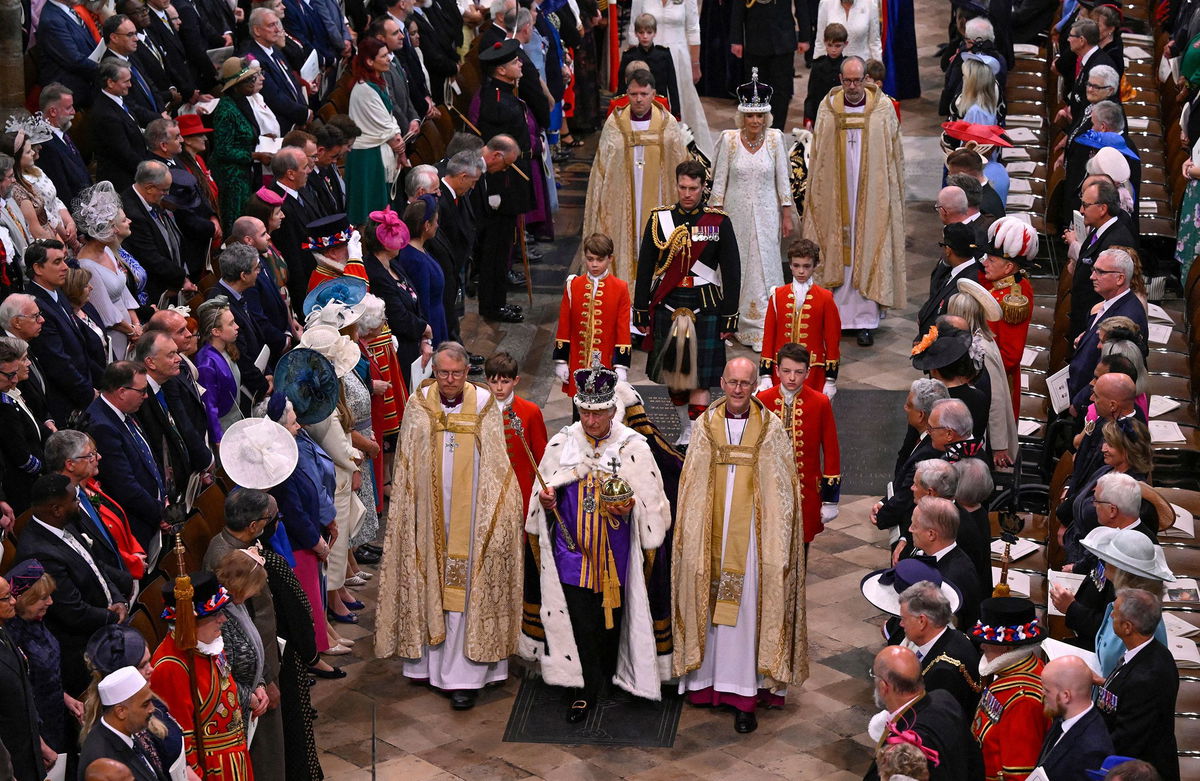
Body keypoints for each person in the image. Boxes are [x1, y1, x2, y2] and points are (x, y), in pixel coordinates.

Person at [374, 342, 524, 711]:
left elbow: (497, 465)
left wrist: (501, 514)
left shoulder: (485, 404)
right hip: (428, 517)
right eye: (443, 373)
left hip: (470, 518)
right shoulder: (418, 404)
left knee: (465, 591)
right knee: (430, 584)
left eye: (457, 373)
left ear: (466, 372)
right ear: (434, 372)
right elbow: (407, 463)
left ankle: (464, 677)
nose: (451, 380)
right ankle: (428, 666)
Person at [523, 361, 672, 722]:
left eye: (598, 413)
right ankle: (584, 688)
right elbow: (540, 495)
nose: (590, 421)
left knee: (612, 621)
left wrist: (629, 507)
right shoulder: (562, 444)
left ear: (611, 409)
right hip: (571, 552)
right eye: (585, 412)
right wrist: (546, 501)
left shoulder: (632, 447)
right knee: (580, 619)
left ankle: (611, 676)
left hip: (615, 557)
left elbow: (653, 508)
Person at [673, 356, 805, 733]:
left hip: (752, 541)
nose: (737, 390)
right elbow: (691, 484)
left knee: (747, 612)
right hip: (710, 537)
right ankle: (704, 683)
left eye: (745, 384)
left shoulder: (771, 429)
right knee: (707, 600)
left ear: (754, 384)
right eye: (732, 382)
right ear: (722, 381)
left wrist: (775, 544)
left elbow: (783, 490)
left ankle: (745, 693)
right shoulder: (704, 426)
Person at [634, 160, 741, 447]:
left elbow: (731, 271)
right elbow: (645, 266)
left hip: (705, 305)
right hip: (668, 304)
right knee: (676, 378)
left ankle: (696, 435)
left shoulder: (718, 222)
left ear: (703, 188)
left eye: (693, 188)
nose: (687, 193)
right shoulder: (660, 220)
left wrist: (730, 316)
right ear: (676, 184)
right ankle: (685, 429)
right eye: (682, 187)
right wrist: (641, 308)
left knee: (701, 379)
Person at [804, 56, 906, 347]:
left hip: (871, 193)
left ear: (866, 79)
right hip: (835, 196)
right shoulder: (828, 108)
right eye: (846, 80)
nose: (851, 86)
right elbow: (819, 155)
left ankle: (865, 320)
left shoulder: (882, 108)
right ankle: (834, 317)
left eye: (857, 80)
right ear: (840, 79)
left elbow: (893, 155)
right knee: (838, 247)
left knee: (868, 244)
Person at [15, 474, 129, 697]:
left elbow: (97, 566)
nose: (79, 502)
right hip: (83, 652)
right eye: (74, 500)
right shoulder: (39, 552)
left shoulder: (64, 523)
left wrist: (118, 599)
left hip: (106, 627)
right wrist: (113, 617)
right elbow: (73, 612)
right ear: (57, 509)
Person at [709, 69, 794, 351]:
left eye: (759, 116)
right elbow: (719, 181)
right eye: (750, 116)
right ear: (742, 117)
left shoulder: (775, 140)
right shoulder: (730, 140)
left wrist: (786, 213)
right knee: (737, 266)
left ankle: (767, 326)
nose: (755, 121)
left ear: (766, 117)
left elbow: (783, 179)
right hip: (735, 216)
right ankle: (735, 323)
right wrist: (715, 217)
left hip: (768, 215)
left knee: (765, 264)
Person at [581, 68, 687, 286]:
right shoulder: (615, 123)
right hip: (623, 202)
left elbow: (680, 164)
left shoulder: (667, 124)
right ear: (627, 93)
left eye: (644, 94)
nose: (638, 99)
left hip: (658, 197)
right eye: (634, 94)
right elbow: (602, 170)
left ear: (654, 94)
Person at [152, 571, 253, 779]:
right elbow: (181, 738)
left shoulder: (207, 643)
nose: (223, 619)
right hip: (212, 770)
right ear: (190, 621)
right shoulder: (171, 667)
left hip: (235, 758)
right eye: (215, 615)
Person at [756, 343, 841, 545]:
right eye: (786, 371)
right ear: (777, 370)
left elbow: (831, 450)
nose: (792, 378)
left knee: (802, 544)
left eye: (798, 372)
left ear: (808, 372)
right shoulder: (762, 400)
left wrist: (830, 499)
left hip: (807, 492)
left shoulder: (820, 402)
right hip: (768, 488)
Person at [864, 645, 984, 781]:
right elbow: (973, 761)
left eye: (874, 676)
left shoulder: (903, 753)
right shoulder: (945, 699)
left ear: (883, 687)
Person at [1095, 589, 1180, 781]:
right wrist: (1103, 682)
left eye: (1114, 613)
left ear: (1127, 627)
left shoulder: (1147, 678)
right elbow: (1125, 693)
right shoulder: (1151, 652)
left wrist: (1087, 750)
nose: (1111, 615)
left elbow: (1126, 739)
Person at [3, 559, 80, 758]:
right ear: (23, 600)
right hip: (38, 732)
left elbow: (43, 673)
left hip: (57, 718)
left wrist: (64, 697)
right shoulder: (11, 638)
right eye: (43, 598)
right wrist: (39, 743)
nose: (50, 603)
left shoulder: (36, 621)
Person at [969, 596, 1047, 781]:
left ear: (1006, 647)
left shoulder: (1025, 701)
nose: (982, 645)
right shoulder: (1022, 668)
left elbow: (1018, 774)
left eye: (988, 640)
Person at [625, 0, 712, 156]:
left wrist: (695, 62)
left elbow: (693, 28)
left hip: (679, 59)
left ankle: (683, 152)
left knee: (679, 101)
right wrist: (632, 65)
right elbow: (633, 28)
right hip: (648, 58)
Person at [1066, 249, 1148, 413]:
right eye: (1093, 270)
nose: (1092, 277)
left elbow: (1111, 372)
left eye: (1100, 272)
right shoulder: (1111, 302)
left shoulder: (1126, 318)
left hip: (1094, 404)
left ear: (1119, 278)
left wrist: (1079, 402)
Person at [552, 232, 633, 397]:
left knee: (602, 408)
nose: (594, 264)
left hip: (605, 360)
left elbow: (623, 328)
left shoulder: (620, 288)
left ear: (610, 259)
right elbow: (564, 324)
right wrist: (561, 361)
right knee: (578, 411)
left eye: (599, 260)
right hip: (577, 361)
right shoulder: (573, 285)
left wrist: (621, 366)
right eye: (590, 259)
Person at [947, 283, 1018, 467]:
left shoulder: (980, 348)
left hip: (985, 431)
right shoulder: (977, 339)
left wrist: (999, 445)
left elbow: (996, 397)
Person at [73, 182, 145, 361]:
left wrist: (137, 325)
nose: (125, 224)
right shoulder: (86, 265)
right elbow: (105, 312)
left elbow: (125, 295)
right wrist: (132, 331)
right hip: (116, 336)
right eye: (118, 223)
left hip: (131, 331)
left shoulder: (107, 250)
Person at [758, 239, 841, 393]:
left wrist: (830, 379)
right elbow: (769, 336)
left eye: (806, 266)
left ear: (815, 266)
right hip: (781, 370)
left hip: (813, 371)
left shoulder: (825, 298)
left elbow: (832, 338)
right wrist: (765, 374)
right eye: (796, 266)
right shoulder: (777, 296)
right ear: (790, 265)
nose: (801, 271)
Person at [896, 580, 980, 720]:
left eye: (904, 618)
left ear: (922, 621)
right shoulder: (957, 636)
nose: (901, 624)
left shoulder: (943, 671)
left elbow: (935, 721)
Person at [978, 216, 1036, 416]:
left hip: (996, 381)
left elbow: (1010, 356)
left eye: (991, 260)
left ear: (1009, 267)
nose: (985, 263)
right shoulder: (1004, 281)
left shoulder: (1015, 297)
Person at [346, 37, 406, 224]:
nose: (389, 58)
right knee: (369, 213)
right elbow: (384, 126)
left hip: (377, 152)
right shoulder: (364, 89)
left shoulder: (378, 83)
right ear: (369, 61)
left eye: (388, 54)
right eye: (383, 56)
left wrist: (398, 138)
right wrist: (399, 144)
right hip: (368, 158)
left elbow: (389, 117)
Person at [210, 56, 271, 231]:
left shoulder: (242, 102)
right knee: (236, 221)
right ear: (236, 86)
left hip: (244, 174)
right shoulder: (226, 110)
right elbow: (223, 150)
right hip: (232, 179)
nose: (254, 82)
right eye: (249, 80)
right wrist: (255, 155)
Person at [729, 0, 809, 130]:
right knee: (755, 90)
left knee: (781, 92)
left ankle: (777, 133)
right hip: (755, 38)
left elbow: (801, 4)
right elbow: (738, 6)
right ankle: (756, 132)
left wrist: (804, 36)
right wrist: (736, 38)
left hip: (783, 39)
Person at [0, 572, 50, 781]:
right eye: (5, 598)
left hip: (28, 751)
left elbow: (21, 694)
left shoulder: (4, 630)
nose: (13, 601)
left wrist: (38, 742)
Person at [485, 351, 547, 515]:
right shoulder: (479, 411)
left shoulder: (531, 411)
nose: (499, 388)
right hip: (489, 484)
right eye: (494, 382)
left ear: (516, 381)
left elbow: (541, 454)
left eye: (505, 382)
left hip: (522, 485)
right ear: (486, 381)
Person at [1037, 655, 1114, 780]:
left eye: (1047, 690)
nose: (1042, 694)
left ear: (1066, 696)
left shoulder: (1092, 750)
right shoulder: (1061, 717)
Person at [77, 666, 159, 781]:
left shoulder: (127, 730)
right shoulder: (102, 763)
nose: (152, 709)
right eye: (145, 704)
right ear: (121, 712)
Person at [0, 336, 50, 514]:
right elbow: (20, 455)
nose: (14, 380)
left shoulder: (7, 397)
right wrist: (44, 470)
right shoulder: (4, 407)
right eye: (9, 375)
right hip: (18, 489)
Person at [89, 61, 150, 193]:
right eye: (126, 81)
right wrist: (149, 171)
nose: (130, 85)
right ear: (110, 83)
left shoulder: (119, 99)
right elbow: (125, 154)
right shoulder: (106, 114)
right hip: (125, 181)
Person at [398, 195, 449, 346]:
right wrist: (426, 339)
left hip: (437, 316)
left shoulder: (419, 250)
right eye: (436, 221)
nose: (437, 225)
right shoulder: (415, 260)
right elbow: (422, 304)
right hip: (431, 322)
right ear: (426, 225)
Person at [918, 221, 981, 338]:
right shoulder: (956, 270)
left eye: (942, 246)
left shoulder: (967, 284)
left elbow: (955, 327)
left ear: (948, 250)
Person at [36, 84, 92, 213]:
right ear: (53, 111)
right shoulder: (46, 144)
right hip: (75, 215)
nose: (73, 112)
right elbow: (61, 188)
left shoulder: (61, 131)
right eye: (68, 108)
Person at [619, 14, 681, 120]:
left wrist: (676, 111)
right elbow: (622, 85)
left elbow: (672, 84)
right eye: (641, 32)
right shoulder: (629, 56)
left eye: (649, 32)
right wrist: (619, 108)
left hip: (660, 105)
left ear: (655, 33)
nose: (645, 36)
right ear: (635, 33)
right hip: (635, 106)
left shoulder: (664, 55)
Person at [804, 23, 848, 128]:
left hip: (843, 116)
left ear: (845, 44)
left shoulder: (847, 66)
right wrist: (808, 118)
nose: (833, 50)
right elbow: (811, 96)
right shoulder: (817, 66)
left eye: (837, 46)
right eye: (830, 45)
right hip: (821, 117)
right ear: (824, 43)